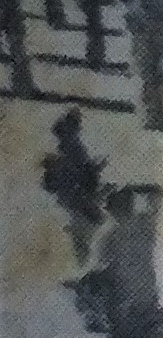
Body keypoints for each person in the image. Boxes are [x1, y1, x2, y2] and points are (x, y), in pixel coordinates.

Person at [42, 107, 107, 262]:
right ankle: (81, 256)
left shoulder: (72, 145)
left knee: (85, 226)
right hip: (74, 197)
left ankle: (81, 255)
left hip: (76, 196)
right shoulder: (70, 145)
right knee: (85, 225)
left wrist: (94, 169)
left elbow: (82, 169)